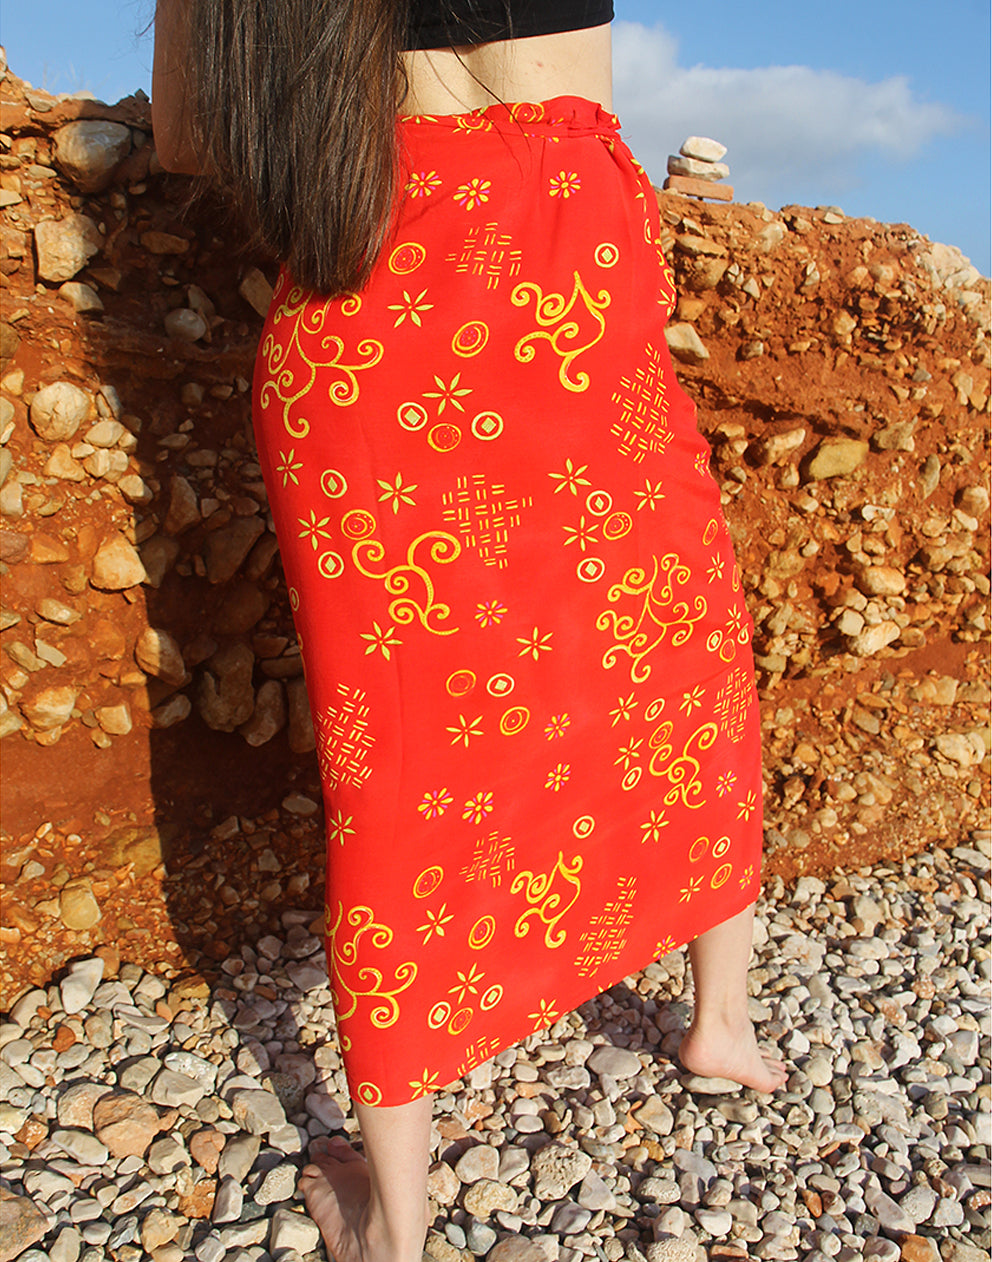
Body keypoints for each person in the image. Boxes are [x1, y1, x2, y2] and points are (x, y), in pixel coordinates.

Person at [152, 3, 789, 1259]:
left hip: (374, 304)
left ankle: (396, 1221)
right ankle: (722, 1025)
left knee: (400, 758)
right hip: (573, 272)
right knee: (681, 657)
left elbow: (184, 136)